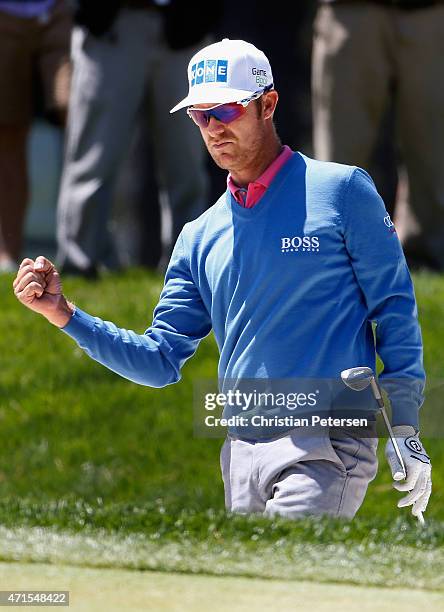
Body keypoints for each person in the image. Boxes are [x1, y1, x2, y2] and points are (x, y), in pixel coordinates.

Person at [13, 39, 431, 520]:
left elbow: (394, 308)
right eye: (200, 115)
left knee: (280, 580)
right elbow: (159, 361)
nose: (212, 128)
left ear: (268, 104)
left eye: (226, 110)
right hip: (239, 455)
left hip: (327, 441)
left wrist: (405, 426)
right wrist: (64, 316)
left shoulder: (342, 190)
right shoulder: (198, 235)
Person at [56, 0, 219, 278]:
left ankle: (187, 268)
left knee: (187, 162)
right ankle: (78, 265)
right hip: (113, 24)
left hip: (185, 27)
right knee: (93, 158)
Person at [312, 0, 444, 271]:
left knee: (433, 158)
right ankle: (332, 263)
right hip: (349, 11)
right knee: (338, 163)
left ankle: (425, 264)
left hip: (430, 12)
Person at [0, 0, 72, 272]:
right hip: (5, 15)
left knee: (76, 120)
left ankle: (82, 248)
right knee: (9, 133)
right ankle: (8, 253)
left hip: (61, 12)